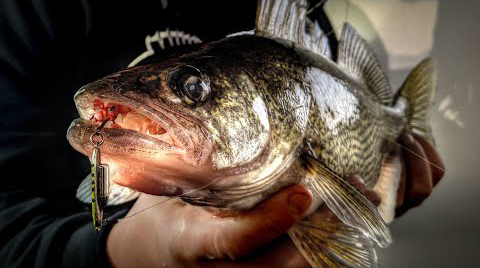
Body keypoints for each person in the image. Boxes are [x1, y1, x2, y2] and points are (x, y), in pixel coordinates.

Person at [0, 1, 444, 267]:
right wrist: (123, 252)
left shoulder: (305, 21)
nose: (191, 92)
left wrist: (383, 195)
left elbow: (356, 223)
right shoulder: (28, 14)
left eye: (193, 89)